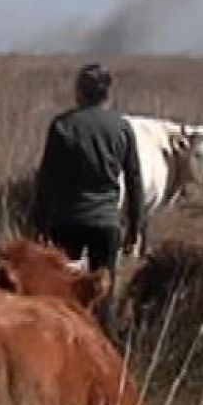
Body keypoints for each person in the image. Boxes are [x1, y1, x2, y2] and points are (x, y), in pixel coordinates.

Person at [31, 63, 144, 327]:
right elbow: (134, 180)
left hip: (65, 220)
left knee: (61, 292)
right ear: (108, 94)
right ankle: (102, 344)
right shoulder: (122, 127)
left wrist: (39, 223)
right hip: (105, 222)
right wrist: (134, 227)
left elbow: (46, 179)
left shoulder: (62, 125)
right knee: (102, 293)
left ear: (79, 92)